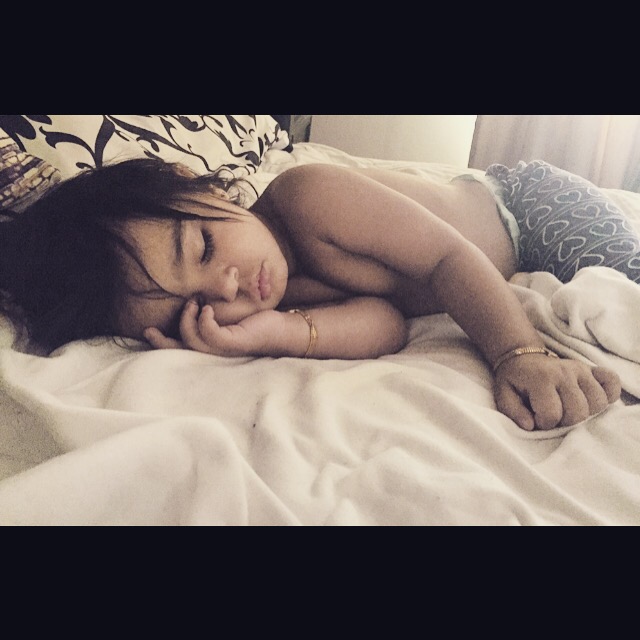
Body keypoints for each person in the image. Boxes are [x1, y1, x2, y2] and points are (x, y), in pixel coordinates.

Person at [2, 157, 636, 432]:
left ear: (193, 183)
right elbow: (386, 323)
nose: (227, 287)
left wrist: (519, 352)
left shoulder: (311, 197)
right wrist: (278, 333)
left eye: (204, 247)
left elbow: (448, 259)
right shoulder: (267, 296)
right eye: (195, 307)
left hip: (525, 210)